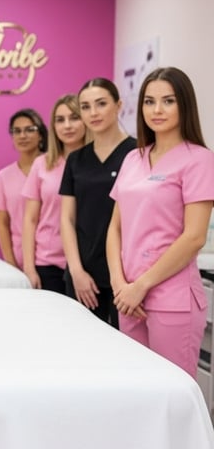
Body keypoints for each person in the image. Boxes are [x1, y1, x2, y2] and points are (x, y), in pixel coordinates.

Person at [107, 67, 214, 377]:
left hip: (171, 298)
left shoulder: (199, 160)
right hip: (128, 297)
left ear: (185, 105)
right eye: (149, 101)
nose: (157, 110)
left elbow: (194, 237)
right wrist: (120, 285)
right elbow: (115, 227)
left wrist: (142, 285)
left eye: (168, 101)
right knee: (137, 388)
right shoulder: (133, 158)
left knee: (173, 392)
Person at [60, 77, 137, 326]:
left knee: (125, 351)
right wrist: (76, 271)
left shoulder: (138, 154)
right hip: (83, 272)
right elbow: (67, 219)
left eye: (101, 104)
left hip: (127, 274)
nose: (93, 113)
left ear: (118, 105)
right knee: (84, 350)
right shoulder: (76, 160)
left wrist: (123, 280)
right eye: (85, 106)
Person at [21, 95, 88, 292]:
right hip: (48, 263)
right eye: (60, 120)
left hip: (88, 262)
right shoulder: (42, 164)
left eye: (74, 117)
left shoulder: (96, 166)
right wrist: (29, 267)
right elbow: (30, 219)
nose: (67, 125)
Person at [0, 108, 47, 269]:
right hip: (20, 259)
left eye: (29, 129)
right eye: (17, 131)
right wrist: (11, 263)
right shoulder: (4, 176)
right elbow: (2, 223)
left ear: (41, 134)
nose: (22, 135)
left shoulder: (54, 169)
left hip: (53, 257)